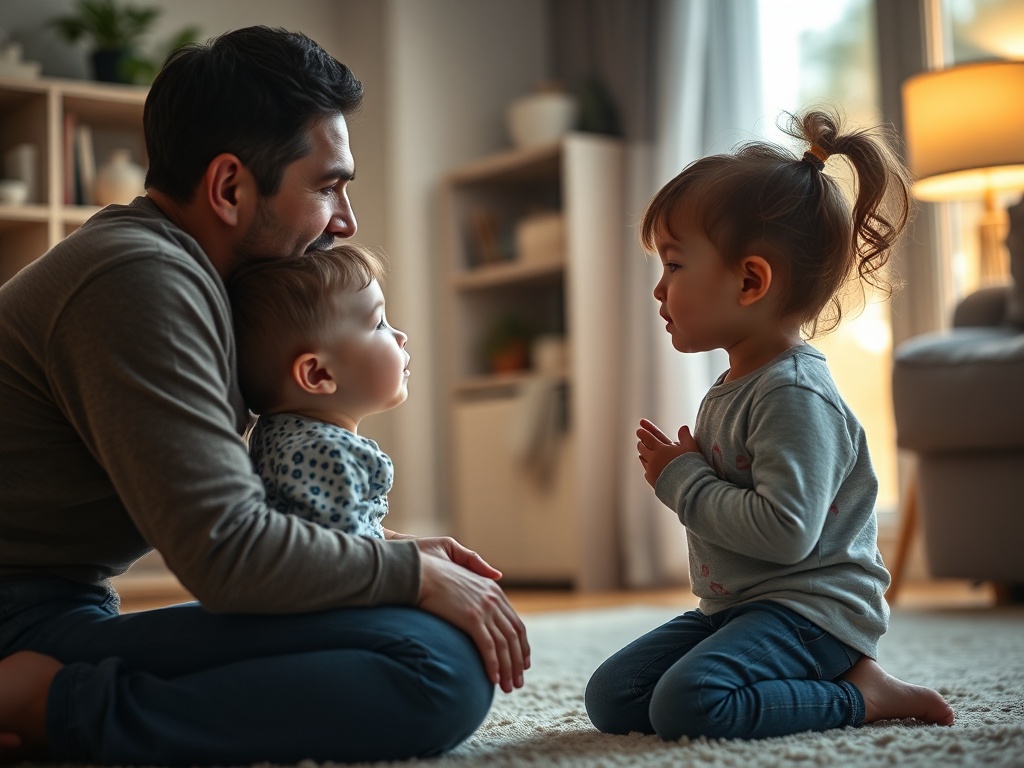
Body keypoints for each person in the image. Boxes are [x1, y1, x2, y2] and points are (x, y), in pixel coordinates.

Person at [0, 26, 528, 766]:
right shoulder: (139, 282)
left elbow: (238, 535)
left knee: (432, 639)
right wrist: (410, 576)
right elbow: (228, 555)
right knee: (438, 667)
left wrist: (389, 556)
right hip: (19, 620)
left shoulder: (182, 276)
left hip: (50, 607)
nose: (346, 221)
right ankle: (51, 706)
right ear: (229, 188)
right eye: (328, 186)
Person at [584, 109, 954, 741]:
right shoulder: (735, 383)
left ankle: (863, 695)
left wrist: (683, 480)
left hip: (813, 615)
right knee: (614, 697)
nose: (658, 290)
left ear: (751, 281)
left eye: (674, 266)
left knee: (689, 705)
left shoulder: (794, 395)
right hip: (741, 607)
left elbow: (786, 535)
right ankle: (822, 680)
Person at [228, 244, 416, 541]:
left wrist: (408, 545)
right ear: (318, 374)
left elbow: (362, 531)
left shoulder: (276, 433)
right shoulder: (329, 456)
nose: (401, 336)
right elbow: (349, 555)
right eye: (379, 323)